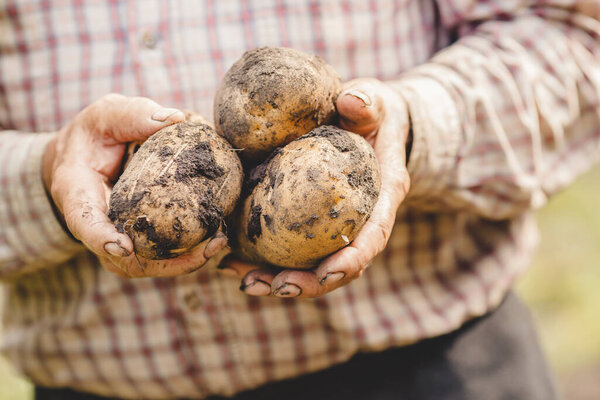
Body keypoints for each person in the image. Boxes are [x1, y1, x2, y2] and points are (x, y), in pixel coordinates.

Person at [1, 1, 599, 399]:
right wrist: (46, 177)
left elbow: (575, 37)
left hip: (439, 370)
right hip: (94, 383)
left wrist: (412, 127)